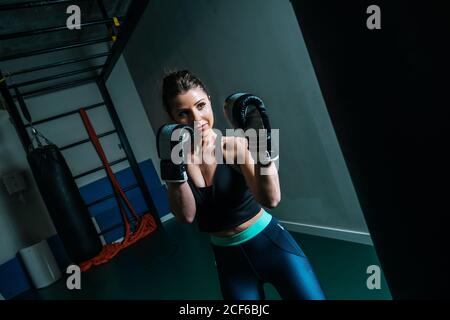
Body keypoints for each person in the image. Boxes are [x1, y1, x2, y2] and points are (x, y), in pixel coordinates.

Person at [156, 70, 325, 300]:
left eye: (200, 106)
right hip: (230, 261)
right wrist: (172, 169)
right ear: (172, 118)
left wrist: (263, 145)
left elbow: (271, 199)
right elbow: (186, 216)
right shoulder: (178, 157)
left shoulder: (233, 146)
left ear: (209, 101)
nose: (197, 120)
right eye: (183, 113)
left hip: (272, 246)